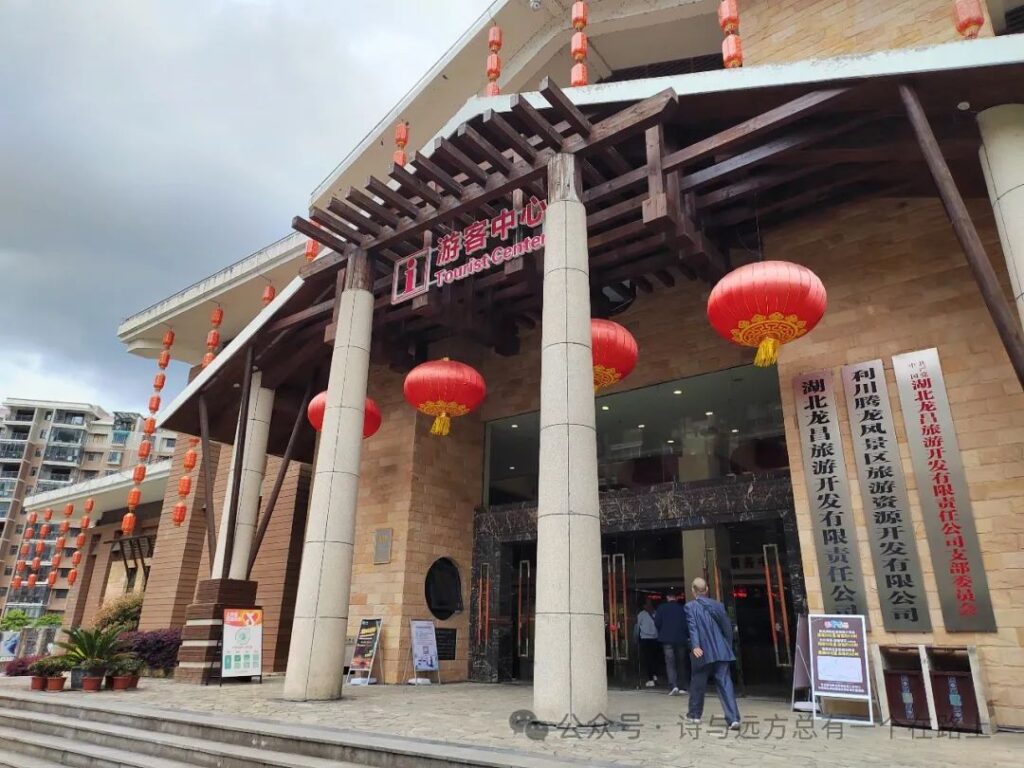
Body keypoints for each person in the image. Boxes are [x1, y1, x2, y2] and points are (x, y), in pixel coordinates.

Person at [684, 577, 740, 728]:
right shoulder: (718, 605)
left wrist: (695, 645)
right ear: (707, 589)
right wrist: (726, 645)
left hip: (702, 651)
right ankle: (733, 718)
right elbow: (727, 627)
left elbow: (693, 627)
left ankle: (694, 715)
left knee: (698, 681)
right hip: (721, 650)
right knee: (725, 682)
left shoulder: (690, 607)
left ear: (693, 591)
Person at [654, 590, 689, 695]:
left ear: (668, 597)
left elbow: (657, 622)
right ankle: (682, 686)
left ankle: (673, 686)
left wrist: (663, 631)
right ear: (676, 597)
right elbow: (687, 623)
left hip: (667, 639)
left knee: (670, 663)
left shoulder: (661, 608)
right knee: (681, 662)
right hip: (681, 639)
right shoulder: (682, 608)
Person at [635, 597, 660, 688]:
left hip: (647, 638)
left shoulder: (642, 614)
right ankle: (653, 676)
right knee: (652, 659)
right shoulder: (655, 613)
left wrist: (636, 637)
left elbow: (637, 627)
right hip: (652, 638)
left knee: (649, 659)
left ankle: (652, 678)